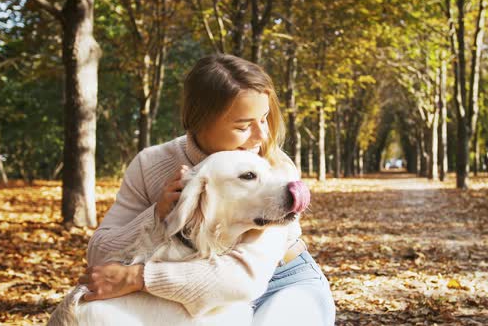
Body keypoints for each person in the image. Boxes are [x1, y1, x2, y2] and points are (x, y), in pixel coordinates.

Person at [78, 54, 336, 325]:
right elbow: (99, 255)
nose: (261, 135)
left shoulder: (274, 169)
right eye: (244, 125)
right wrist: (157, 215)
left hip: (282, 282)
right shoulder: (150, 164)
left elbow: (243, 279)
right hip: (176, 292)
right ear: (198, 121)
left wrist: (138, 278)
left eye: (264, 118)